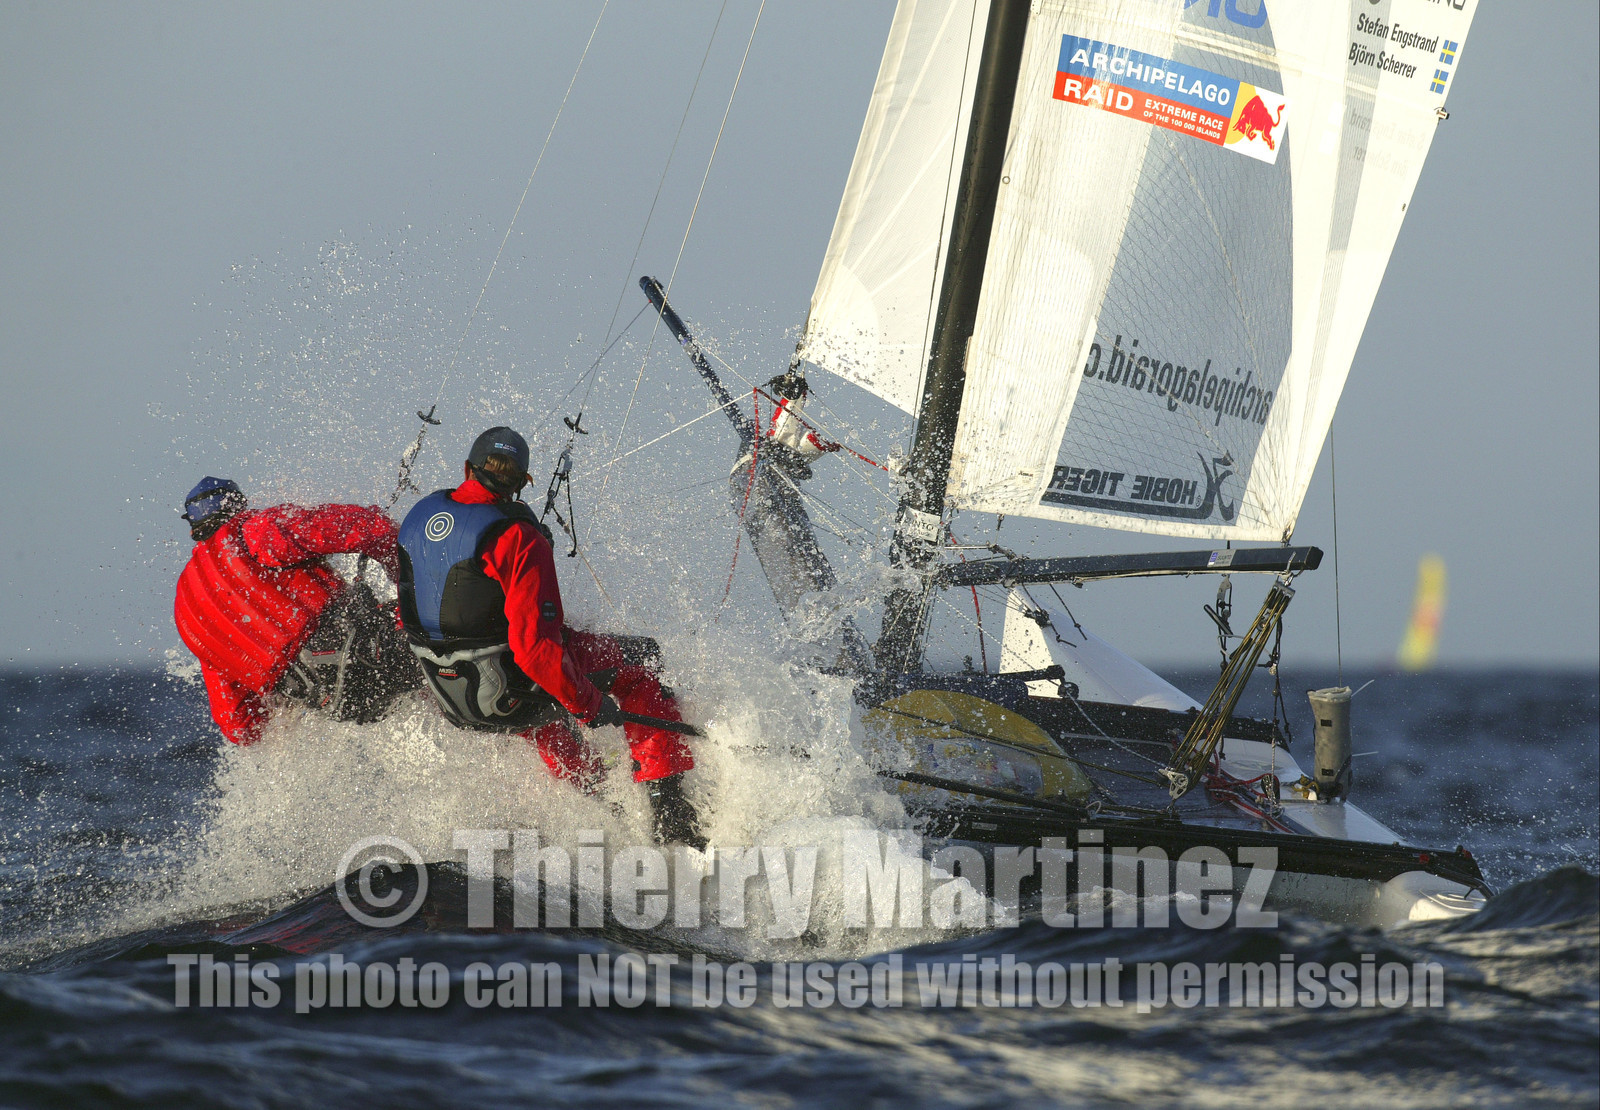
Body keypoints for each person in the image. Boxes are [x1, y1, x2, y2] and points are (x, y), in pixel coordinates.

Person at [396, 428, 705, 849]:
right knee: (641, 663)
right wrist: (588, 704)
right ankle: (673, 823)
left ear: (467, 468)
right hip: (514, 690)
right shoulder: (519, 539)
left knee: (540, 709)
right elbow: (535, 650)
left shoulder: (417, 517)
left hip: (459, 696)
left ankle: (598, 801)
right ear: (523, 482)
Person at [173, 477, 420, 744]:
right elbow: (368, 526)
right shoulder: (252, 531)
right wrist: (406, 585)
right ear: (238, 507)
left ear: (194, 530)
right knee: (438, 629)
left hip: (340, 704)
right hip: (370, 655)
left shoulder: (186, 610)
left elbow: (240, 727)